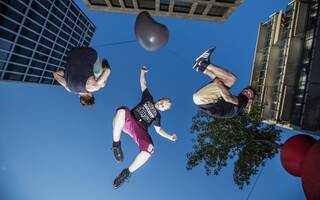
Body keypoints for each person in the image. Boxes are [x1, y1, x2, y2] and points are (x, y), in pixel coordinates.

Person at [112, 66, 177, 189]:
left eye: (164, 107)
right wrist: (142, 73)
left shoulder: (157, 116)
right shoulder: (148, 98)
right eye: (162, 102)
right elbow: (143, 84)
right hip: (129, 120)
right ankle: (116, 146)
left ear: (163, 110)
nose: (162, 105)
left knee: (150, 149)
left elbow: (158, 130)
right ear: (160, 99)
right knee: (121, 110)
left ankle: (126, 174)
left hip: (140, 130)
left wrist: (170, 137)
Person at [192, 48, 255, 118]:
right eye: (245, 91)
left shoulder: (243, 102)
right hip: (201, 99)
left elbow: (228, 98)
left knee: (231, 80)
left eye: (249, 94)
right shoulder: (233, 106)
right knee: (222, 82)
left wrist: (220, 84)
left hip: (205, 100)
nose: (245, 92)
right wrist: (204, 70)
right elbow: (217, 81)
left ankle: (204, 63)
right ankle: (201, 67)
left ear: (250, 101)